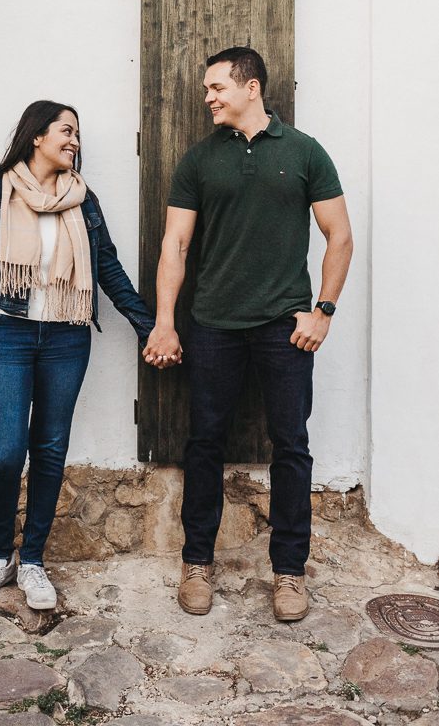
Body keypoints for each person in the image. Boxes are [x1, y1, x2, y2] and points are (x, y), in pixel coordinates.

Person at [143, 47, 353, 623]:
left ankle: (288, 572)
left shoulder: (306, 152)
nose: (208, 97)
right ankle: (197, 564)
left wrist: (323, 311)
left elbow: (339, 235)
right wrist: (166, 322)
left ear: (251, 87)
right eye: (207, 89)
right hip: (213, 324)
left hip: (285, 327)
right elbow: (175, 246)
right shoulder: (199, 160)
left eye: (217, 87)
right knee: (204, 443)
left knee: (292, 446)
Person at [0, 100, 154, 614]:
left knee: (49, 449)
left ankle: (33, 561)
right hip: (6, 335)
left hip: (67, 337)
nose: (74, 141)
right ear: (36, 136)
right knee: (5, 454)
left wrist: (148, 327)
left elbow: (107, 269)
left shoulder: (83, 201)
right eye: (66, 131)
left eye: (78, 134)